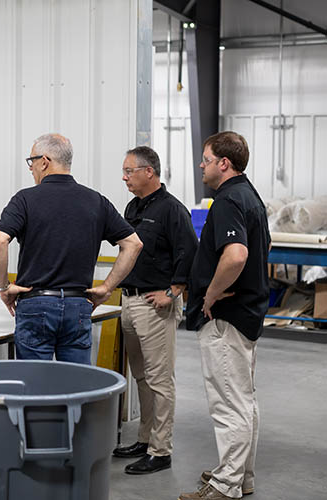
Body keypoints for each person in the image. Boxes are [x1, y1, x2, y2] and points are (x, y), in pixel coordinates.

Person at [0, 133, 143, 363]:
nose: (31, 168)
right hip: (78, 305)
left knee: (35, 386)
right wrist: (107, 287)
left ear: (44, 161)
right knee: (74, 386)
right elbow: (133, 243)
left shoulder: (24, 200)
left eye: (32, 161)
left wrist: (3, 287)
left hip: (36, 303)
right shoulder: (96, 201)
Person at [179, 132, 271, 500]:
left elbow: (236, 256)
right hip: (246, 313)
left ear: (224, 163)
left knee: (228, 403)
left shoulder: (229, 200)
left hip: (226, 317)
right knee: (244, 400)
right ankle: (240, 476)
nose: (201, 165)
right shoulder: (249, 196)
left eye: (205, 159)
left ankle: (225, 486)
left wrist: (211, 294)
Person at [112, 146, 198, 475]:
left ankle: (161, 451)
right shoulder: (133, 206)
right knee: (142, 378)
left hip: (155, 304)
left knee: (161, 380)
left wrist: (173, 291)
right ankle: (145, 439)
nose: (124, 177)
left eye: (129, 171)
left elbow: (189, 250)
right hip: (130, 302)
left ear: (149, 172)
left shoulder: (172, 210)